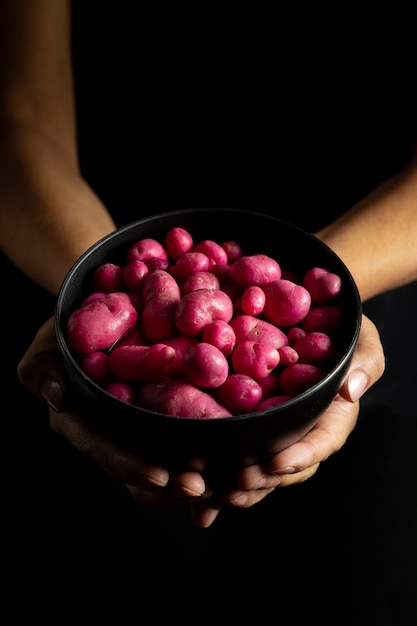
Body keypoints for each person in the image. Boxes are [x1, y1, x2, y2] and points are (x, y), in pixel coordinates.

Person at [1, 2, 416, 623]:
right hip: (76, 230)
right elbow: (21, 123)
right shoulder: (153, 309)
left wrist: (335, 293)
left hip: (372, 263)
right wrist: (83, 283)